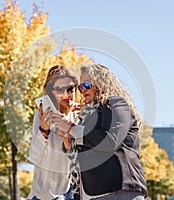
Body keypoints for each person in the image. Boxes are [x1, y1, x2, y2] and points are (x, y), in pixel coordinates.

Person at [48, 64, 147, 199]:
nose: (82, 90)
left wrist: (69, 127)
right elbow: (81, 153)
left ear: (100, 83)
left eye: (86, 85)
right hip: (92, 193)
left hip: (120, 191)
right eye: (80, 87)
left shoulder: (117, 104)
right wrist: (67, 140)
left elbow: (110, 142)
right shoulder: (88, 116)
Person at [27, 65, 79, 200]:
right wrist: (44, 131)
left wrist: (69, 144)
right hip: (46, 194)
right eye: (60, 90)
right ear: (51, 92)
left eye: (70, 89)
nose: (66, 94)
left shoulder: (78, 117)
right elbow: (35, 158)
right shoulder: (43, 116)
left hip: (71, 192)